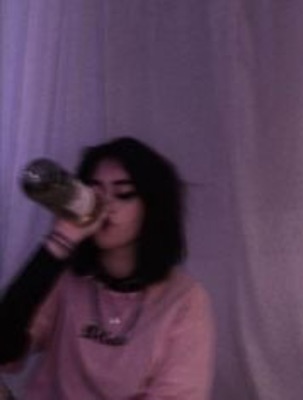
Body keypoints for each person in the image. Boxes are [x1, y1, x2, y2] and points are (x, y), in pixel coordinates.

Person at [0, 137, 215, 399]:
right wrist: (58, 243)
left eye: (123, 194)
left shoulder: (185, 300)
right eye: (95, 192)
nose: (106, 206)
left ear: (153, 206)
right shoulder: (66, 280)